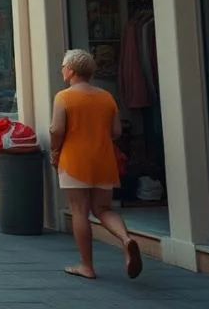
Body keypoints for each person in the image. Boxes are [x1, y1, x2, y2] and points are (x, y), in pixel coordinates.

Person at [50, 49, 142, 280]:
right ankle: (126, 239)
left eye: (63, 66)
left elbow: (57, 129)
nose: (62, 69)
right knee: (103, 209)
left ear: (70, 70)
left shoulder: (64, 97)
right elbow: (116, 131)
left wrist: (54, 149)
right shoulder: (106, 97)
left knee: (79, 210)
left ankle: (87, 266)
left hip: (74, 160)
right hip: (103, 159)